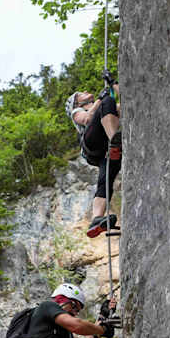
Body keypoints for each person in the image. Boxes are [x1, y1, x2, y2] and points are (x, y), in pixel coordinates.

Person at [65, 82, 122, 238]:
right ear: (76, 102)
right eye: (80, 93)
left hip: (105, 152)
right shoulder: (76, 111)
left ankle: (96, 219)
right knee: (108, 102)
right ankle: (114, 141)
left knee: (105, 181)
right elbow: (87, 119)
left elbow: (125, 104)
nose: (85, 90)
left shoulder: (104, 107)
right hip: (93, 142)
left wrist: (114, 85)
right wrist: (100, 99)